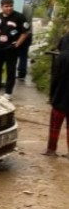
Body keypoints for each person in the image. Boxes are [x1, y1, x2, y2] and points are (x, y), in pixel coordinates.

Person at [0, 0, 30, 101]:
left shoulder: (19, 17)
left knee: (10, 71)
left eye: (11, 5)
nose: (9, 8)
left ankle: (8, 92)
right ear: (1, 7)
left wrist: (17, 44)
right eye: (6, 6)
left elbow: (25, 33)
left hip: (11, 49)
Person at [43, 26, 69, 156]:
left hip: (60, 97)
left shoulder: (61, 58)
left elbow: (55, 79)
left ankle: (51, 150)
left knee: (55, 125)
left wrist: (52, 96)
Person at [17, 4, 34, 80]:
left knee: (14, 55)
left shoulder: (18, 6)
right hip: (28, 34)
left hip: (19, 35)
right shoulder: (28, 7)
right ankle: (22, 73)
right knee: (23, 55)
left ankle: (20, 72)